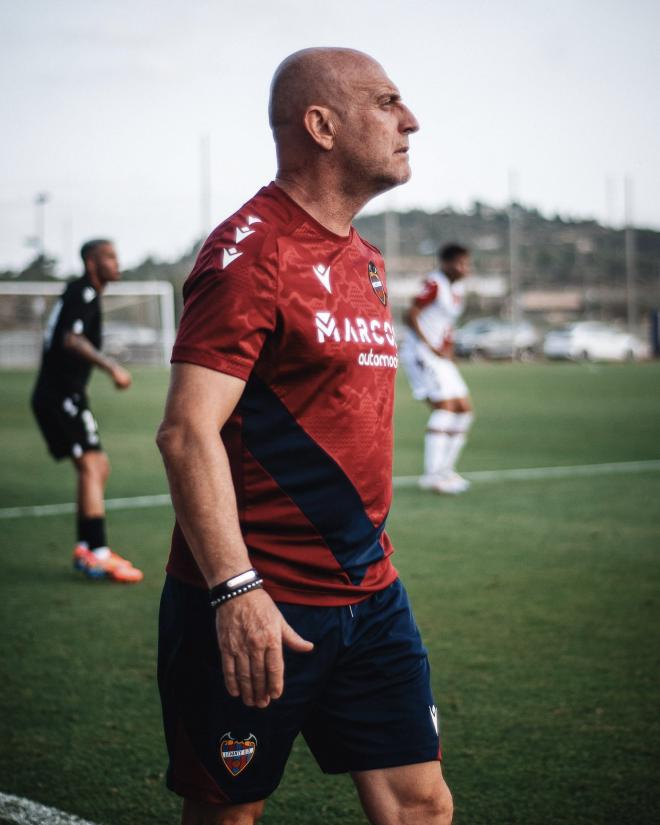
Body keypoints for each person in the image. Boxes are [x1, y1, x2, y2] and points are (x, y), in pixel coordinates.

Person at [156, 47, 453, 825]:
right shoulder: (251, 252)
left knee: (421, 805)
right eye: (386, 102)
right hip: (261, 599)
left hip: (371, 595)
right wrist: (236, 589)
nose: (410, 119)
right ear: (321, 125)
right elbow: (188, 431)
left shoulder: (367, 259)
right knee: (229, 812)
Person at [31, 239, 143, 583]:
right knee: (92, 465)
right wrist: (112, 368)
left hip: (66, 394)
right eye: (110, 256)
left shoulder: (84, 295)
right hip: (59, 396)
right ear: (92, 263)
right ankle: (97, 553)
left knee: (97, 466)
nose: (117, 262)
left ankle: (86, 549)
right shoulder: (83, 293)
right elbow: (71, 340)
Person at [400, 244, 474, 495]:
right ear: (446, 263)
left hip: (439, 356)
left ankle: (445, 470)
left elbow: (447, 324)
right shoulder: (434, 283)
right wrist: (429, 345)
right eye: (461, 263)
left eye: (467, 263)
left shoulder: (458, 289)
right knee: (445, 408)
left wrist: (448, 348)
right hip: (421, 354)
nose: (465, 268)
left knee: (464, 410)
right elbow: (410, 314)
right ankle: (432, 476)